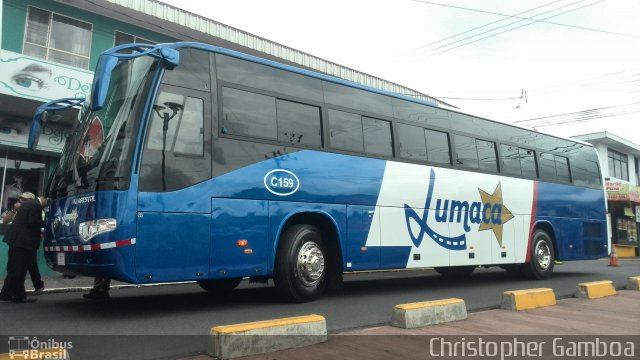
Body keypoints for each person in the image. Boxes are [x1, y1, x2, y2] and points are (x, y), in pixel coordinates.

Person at [0, 194, 47, 303]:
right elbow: (33, 222)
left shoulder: (29, 205)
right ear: (44, 198)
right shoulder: (36, 205)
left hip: (16, 241)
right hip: (23, 243)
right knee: (19, 270)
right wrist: (46, 223)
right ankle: (18, 296)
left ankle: (6, 293)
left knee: (13, 268)